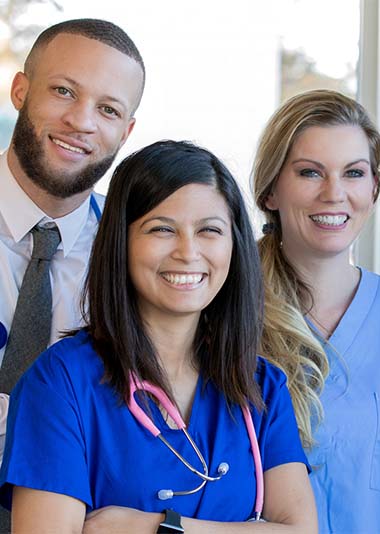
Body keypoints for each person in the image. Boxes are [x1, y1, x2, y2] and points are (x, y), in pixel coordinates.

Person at [0, 141, 317, 532]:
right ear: (121, 241)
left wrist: (159, 528)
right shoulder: (60, 383)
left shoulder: (262, 386)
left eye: (210, 231)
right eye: (162, 229)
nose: (188, 252)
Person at [252, 89, 380, 533]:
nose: (334, 193)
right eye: (309, 172)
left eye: (353, 173)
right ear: (271, 190)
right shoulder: (224, 313)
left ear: (374, 188)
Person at [0, 18, 144, 458]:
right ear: (21, 90)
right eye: (64, 90)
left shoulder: (134, 258)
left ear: (127, 131)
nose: (80, 121)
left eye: (108, 110)